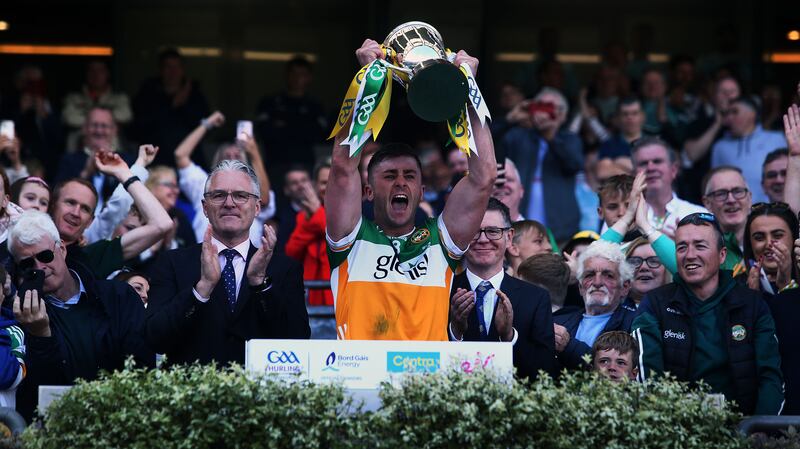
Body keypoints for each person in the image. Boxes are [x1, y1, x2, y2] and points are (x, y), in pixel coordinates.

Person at [325, 41, 496, 341]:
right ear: (367, 191)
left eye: (409, 176)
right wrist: (368, 80)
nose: (401, 183)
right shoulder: (349, 238)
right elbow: (342, 167)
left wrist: (468, 89)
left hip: (427, 384)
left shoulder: (441, 241)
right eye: (389, 176)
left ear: (422, 190)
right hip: (359, 380)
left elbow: (483, 178)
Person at [146, 160, 310, 365]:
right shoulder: (172, 262)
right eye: (219, 195)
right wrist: (202, 289)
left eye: (241, 196)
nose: (229, 203)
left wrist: (260, 284)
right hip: (191, 392)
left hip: (260, 393)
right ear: (205, 207)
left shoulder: (284, 268)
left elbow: (298, 341)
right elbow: (155, 338)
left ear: (257, 207)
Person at [8, 210, 154, 422]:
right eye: (27, 264)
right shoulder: (24, 316)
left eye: (45, 256)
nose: (40, 268)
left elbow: (142, 367)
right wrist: (40, 335)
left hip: (125, 421)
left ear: (62, 250)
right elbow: (42, 398)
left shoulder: (118, 295)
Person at [632, 212, 784, 415]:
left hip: (745, 432)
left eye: (700, 246)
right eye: (681, 247)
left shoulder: (753, 304)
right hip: (676, 431)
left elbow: (771, 377)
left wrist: (759, 430)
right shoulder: (655, 303)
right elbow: (647, 376)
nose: (690, 255)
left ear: (722, 255)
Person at [448, 199, 555, 379]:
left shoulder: (536, 298)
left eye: (493, 231)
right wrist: (455, 331)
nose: (483, 239)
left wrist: (509, 337)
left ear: (509, 237)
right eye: (474, 231)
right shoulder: (444, 291)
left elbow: (546, 372)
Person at [50, 151, 172, 280]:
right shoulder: (29, 237)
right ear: (52, 206)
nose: (75, 213)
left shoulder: (94, 255)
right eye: (70, 202)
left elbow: (162, 224)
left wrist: (124, 174)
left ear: (90, 222)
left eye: (85, 209)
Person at [173, 111, 275, 245]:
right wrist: (207, 124)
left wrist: (254, 152)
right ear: (217, 161)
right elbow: (181, 155)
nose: (232, 160)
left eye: (237, 156)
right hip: (203, 258)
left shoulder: (253, 185)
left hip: (249, 262)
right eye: (227, 156)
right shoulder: (205, 183)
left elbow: (264, 199)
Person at [503, 87, 583, 242]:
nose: (544, 113)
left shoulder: (569, 139)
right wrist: (510, 119)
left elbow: (574, 164)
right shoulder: (519, 136)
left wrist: (551, 135)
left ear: (563, 115)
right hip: (518, 225)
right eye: (540, 106)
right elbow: (489, 144)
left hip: (561, 229)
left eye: (550, 108)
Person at [553, 240, 636, 370]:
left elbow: (612, 372)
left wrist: (569, 346)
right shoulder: (558, 320)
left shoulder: (635, 325)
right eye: (589, 275)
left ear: (625, 287)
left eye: (608, 275)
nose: (597, 282)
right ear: (580, 287)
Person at [132, 48, 210, 165]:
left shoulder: (194, 94)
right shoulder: (148, 92)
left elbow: (203, 127)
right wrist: (172, 105)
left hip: (189, 160)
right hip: (155, 159)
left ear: (182, 70)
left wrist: (184, 105)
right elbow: (139, 127)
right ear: (160, 70)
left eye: (176, 67)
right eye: (168, 67)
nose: (173, 72)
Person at [255, 56, 327, 178]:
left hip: (305, 164)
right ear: (286, 75)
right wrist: (300, 127)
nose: (298, 78)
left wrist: (285, 126)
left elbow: (320, 135)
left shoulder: (315, 106)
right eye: (294, 73)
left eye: (302, 74)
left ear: (309, 77)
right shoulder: (270, 103)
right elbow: (264, 132)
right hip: (275, 164)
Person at [711, 96, 787, 203]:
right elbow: (715, 185)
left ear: (752, 114)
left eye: (735, 112)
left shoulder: (777, 139)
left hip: (777, 210)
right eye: (727, 114)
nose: (729, 118)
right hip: (736, 213)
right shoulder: (720, 147)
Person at [631, 137, 706, 234]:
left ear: (674, 170)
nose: (650, 168)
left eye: (657, 161)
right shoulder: (621, 218)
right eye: (643, 163)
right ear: (633, 174)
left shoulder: (699, 215)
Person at [285, 161, 332, 305]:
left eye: (333, 181)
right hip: (309, 298)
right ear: (315, 186)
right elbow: (291, 253)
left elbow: (340, 240)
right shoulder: (304, 216)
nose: (329, 187)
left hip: (338, 299)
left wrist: (317, 213)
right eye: (324, 182)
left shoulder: (352, 213)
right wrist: (314, 216)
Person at [62, 60, 132, 152]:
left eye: (100, 71)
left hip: (114, 152)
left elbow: (126, 115)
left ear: (107, 73)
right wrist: (105, 119)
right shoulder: (73, 98)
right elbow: (69, 118)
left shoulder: (119, 98)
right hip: (77, 151)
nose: (96, 75)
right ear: (86, 74)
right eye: (92, 71)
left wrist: (89, 117)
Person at [700, 166, 752, 272]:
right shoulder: (701, 251)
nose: (731, 200)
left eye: (737, 191)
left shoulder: (768, 240)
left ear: (749, 198)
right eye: (721, 194)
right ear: (707, 203)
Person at [742, 202, 798, 295]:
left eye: (777, 235)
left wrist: (786, 285)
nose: (768, 244)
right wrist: (752, 297)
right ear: (749, 244)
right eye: (759, 238)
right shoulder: (735, 287)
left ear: (794, 238)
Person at [596, 96, 645, 175]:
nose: (630, 117)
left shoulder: (653, 143)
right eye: (625, 114)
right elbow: (602, 173)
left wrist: (619, 162)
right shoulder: (609, 144)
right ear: (618, 118)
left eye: (635, 113)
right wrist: (637, 171)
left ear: (642, 116)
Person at [625, 237, 671, 306]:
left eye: (653, 261)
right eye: (635, 262)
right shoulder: (611, 306)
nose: (644, 267)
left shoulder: (683, 306)